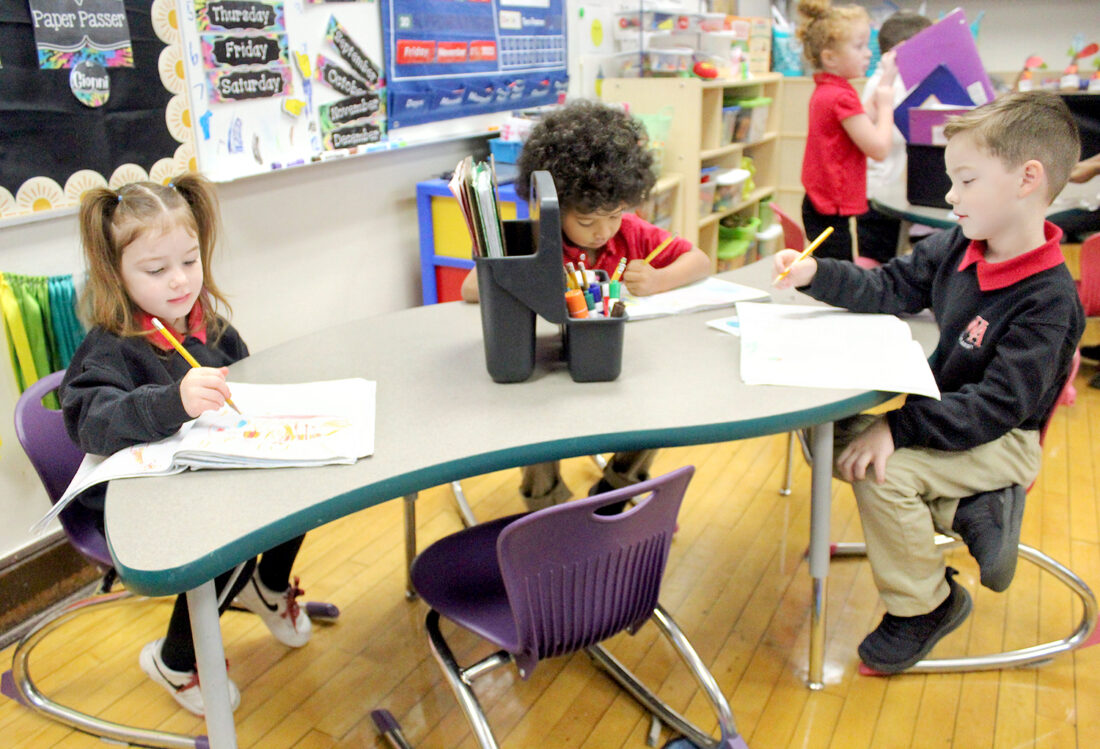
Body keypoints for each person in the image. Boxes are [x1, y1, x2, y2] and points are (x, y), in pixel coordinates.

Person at [773, 91, 1085, 674]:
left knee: (882, 472)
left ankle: (925, 606)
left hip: (1001, 439)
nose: (950, 196)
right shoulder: (960, 244)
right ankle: (970, 505)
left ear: (1027, 179)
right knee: (823, 432)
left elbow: (995, 408)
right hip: (949, 418)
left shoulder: (1048, 302)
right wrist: (816, 274)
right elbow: (891, 285)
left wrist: (896, 428)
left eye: (966, 181)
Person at [60, 174, 314, 715]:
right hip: (136, 500)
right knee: (229, 541)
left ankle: (267, 586)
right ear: (115, 273)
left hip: (208, 477)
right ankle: (174, 661)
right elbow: (90, 421)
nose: (179, 281)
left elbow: (246, 385)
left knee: (302, 489)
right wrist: (172, 401)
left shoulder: (211, 328)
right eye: (156, 270)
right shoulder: (109, 349)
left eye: (190, 261)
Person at [461, 100, 711, 508]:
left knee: (661, 417)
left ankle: (616, 490)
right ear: (556, 207)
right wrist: (527, 277)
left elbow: (700, 261)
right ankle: (549, 507)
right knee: (534, 432)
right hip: (549, 382)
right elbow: (470, 288)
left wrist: (658, 279)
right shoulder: (540, 238)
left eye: (614, 215)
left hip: (611, 368)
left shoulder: (630, 233)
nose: (602, 232)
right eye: (586, 220)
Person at [797, 0, 898, 261]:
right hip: (828, 210)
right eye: (859, 46)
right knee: (840, 277)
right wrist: (887, 104)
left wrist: (886, 79)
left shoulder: (830, 90)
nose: (868, 53)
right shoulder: (841, 97)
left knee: (834, 272)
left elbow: (862, 119)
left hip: (819, 204)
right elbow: (879, 149)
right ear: (830, 57)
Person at [858, 10, 933, 264]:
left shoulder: (897, 82)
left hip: (892, 189)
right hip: (878, 192)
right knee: (878, 261)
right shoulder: (887, 84)